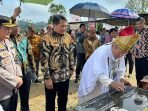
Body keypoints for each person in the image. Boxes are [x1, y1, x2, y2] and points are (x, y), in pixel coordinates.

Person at [78, 26, 139, 104]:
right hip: (94, 86)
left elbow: (119, 69)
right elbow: (97, 73)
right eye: (120, 52)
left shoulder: (121, 53)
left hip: (107, 86)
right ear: (114, 46)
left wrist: (121, 79)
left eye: (124, 53)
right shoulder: (101, 52)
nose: (121, 55)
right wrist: (113, 83)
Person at [41, 14, 76, 111]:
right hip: (52, 78)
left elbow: (71, 54)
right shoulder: (46, 38)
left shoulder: (68, 37)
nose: (64, 28)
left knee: (63, 101)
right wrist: (47, 78)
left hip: (65, 77)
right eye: (62, 26)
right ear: (55, 25)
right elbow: (44, 61)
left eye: (65, 26)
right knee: (50, 103)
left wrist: (72, 69)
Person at [10, 25, 36, 111]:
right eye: (14, 26)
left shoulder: (24, 39)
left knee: (25, 98)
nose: (16, 28)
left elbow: (30, 54)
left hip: (26, 71)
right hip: (12, 74)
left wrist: (33, 69)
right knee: (12, 99)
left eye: (18, 26)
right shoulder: (5, 39)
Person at [0, 15, 23, 111]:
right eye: (6, 28)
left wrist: (19, 76)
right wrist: (15, 81)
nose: (9, 30)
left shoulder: (8, 42)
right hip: (2, 93)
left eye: (10, 28)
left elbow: (16, 60)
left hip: (14, 90)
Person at [131, 17, 148, 86]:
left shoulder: (147, 31)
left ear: (144, 23)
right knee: (138, 76)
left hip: (145, 58)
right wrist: (132, 53)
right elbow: (135, 44)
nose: (139, 25)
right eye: (137, 24)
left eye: (140, 23)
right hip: (137, 58)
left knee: (145, 77)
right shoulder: (137, 32)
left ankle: (145, 94)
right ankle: (139, 92)